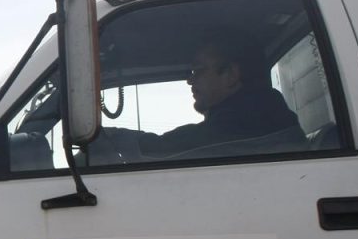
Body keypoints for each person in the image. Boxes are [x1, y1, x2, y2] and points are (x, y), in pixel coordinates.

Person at [105, 29, 307, 160]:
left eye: (198, 71)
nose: (190, 81)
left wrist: (109, 138)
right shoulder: (263, 116)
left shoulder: (245, 124)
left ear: (230, 75)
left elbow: (157, 151)